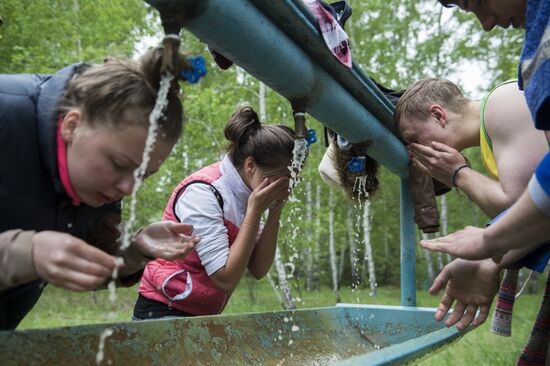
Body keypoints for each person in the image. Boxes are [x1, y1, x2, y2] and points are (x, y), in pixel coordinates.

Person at [0, 47, 200, 330]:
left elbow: (92, 267)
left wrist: (136, 251)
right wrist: (27, 253)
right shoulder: (6, 116)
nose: (128, 187)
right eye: (119, 163)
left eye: (144, 175)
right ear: (73, 124)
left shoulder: (98, 186)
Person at [423, 1, 550, 363]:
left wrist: (459, 175)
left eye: (478, 2)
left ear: (438, 114)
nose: (487, 24)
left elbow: (522, 199)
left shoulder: (498, 105)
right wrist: (493, 255)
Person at [133, 106, 294, 319]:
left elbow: (258, 269)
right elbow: (225, 279)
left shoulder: (247, 192)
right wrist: (254, 211)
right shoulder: (203, 192)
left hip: (202, 315)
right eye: (282, 178)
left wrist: (275, 209)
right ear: (250, 165)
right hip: (163, 311)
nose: (287, 185)